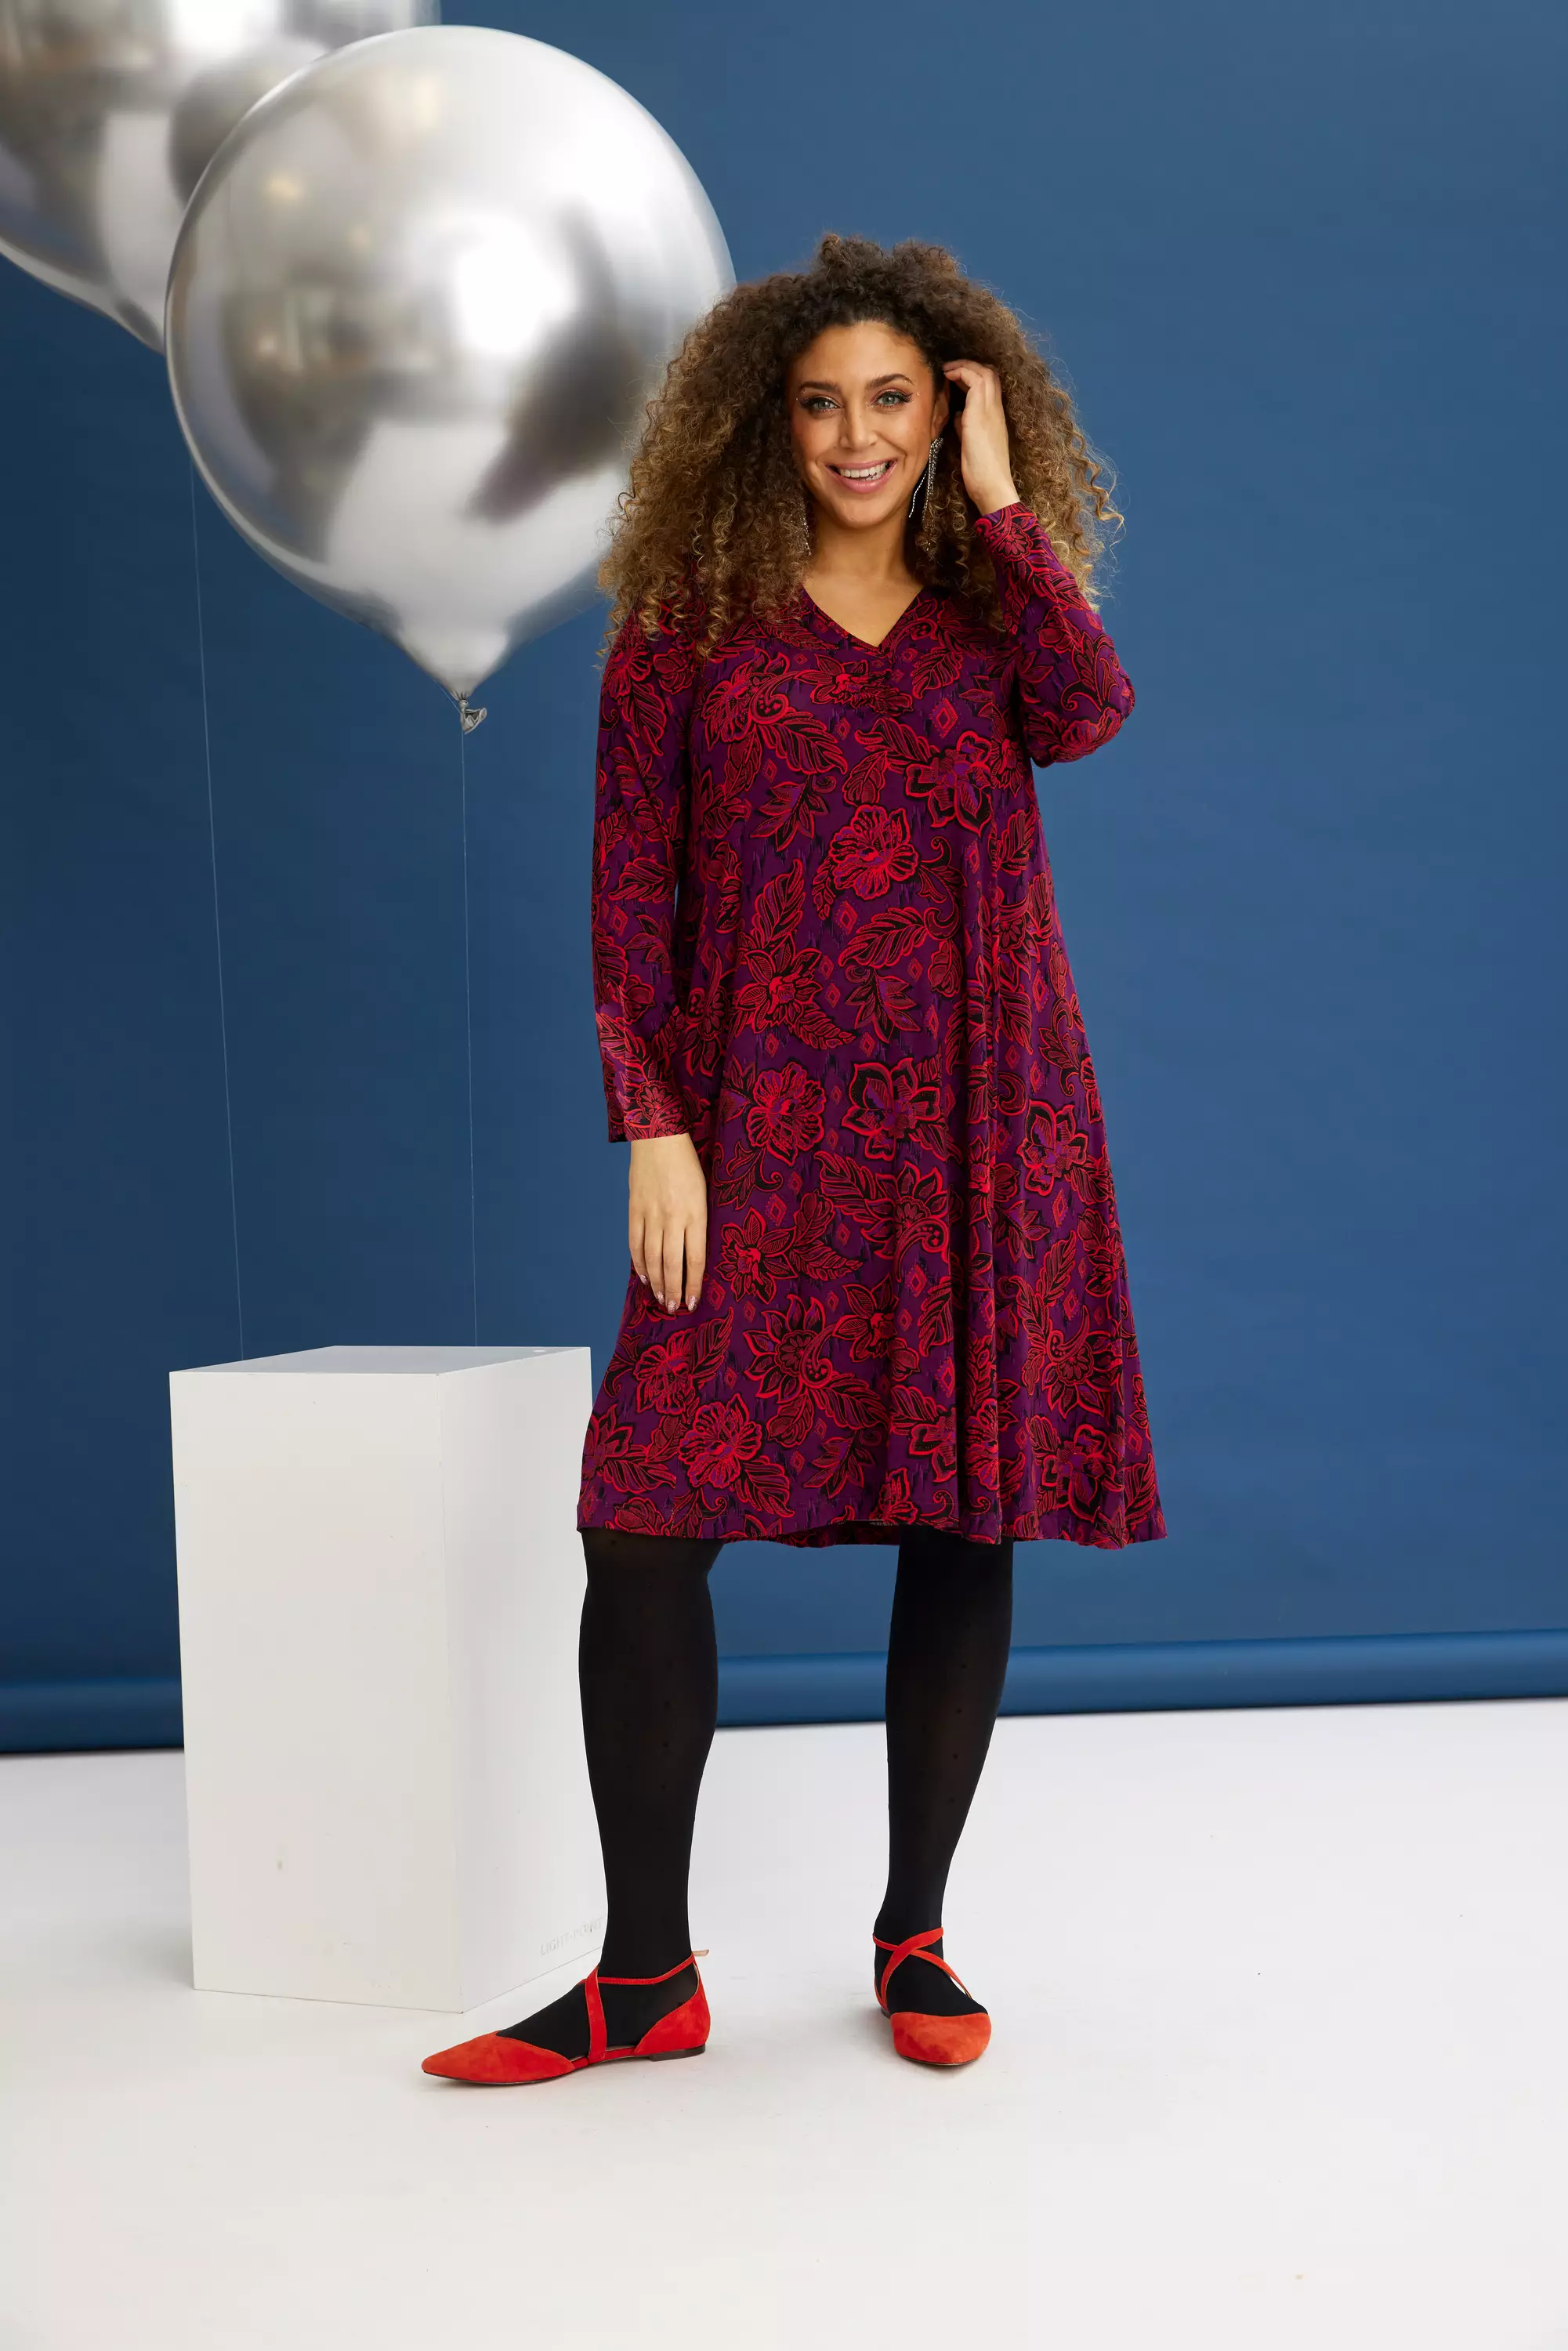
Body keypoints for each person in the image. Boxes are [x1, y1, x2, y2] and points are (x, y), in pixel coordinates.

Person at [423, 232, 1164, 2088]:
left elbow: (1091, 710)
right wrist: (651, 1122)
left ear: (951, 409)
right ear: (766, 420)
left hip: (976, 1127)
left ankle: (915, 1932)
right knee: (639, 1521)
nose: (855, 437)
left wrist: (1001, 500)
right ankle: (642, 1978)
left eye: (894, 401)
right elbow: (628, 895)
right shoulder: (685, 624)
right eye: (822, 404)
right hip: (750, 1136)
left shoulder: (997, 616)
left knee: (963, 1517)